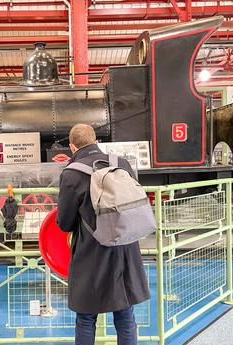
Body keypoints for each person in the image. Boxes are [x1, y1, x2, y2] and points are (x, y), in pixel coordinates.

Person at [57, 124, 150, 345]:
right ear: (96, 141)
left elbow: (65, 223)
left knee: (86, 317)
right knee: (125, 314)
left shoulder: (71, 173)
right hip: (124, 248)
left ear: (72, 147)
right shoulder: (122, 164)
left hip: (91, 253)